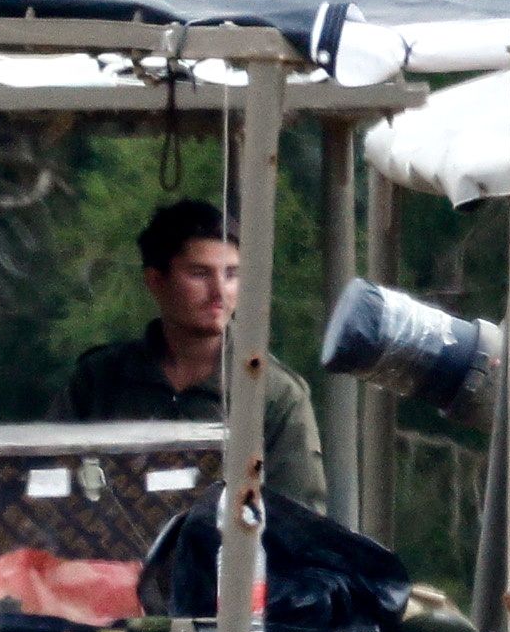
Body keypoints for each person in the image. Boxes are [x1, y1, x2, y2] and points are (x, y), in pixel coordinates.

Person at [62, 196, 327, 515]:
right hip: (108, 560)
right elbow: (46, 490)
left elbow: (300, 523)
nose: (219, 291)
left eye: (231, 274)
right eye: (200, 274)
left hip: (227, 564)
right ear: (156, 281)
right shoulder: (99, 379)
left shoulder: (275, 395)